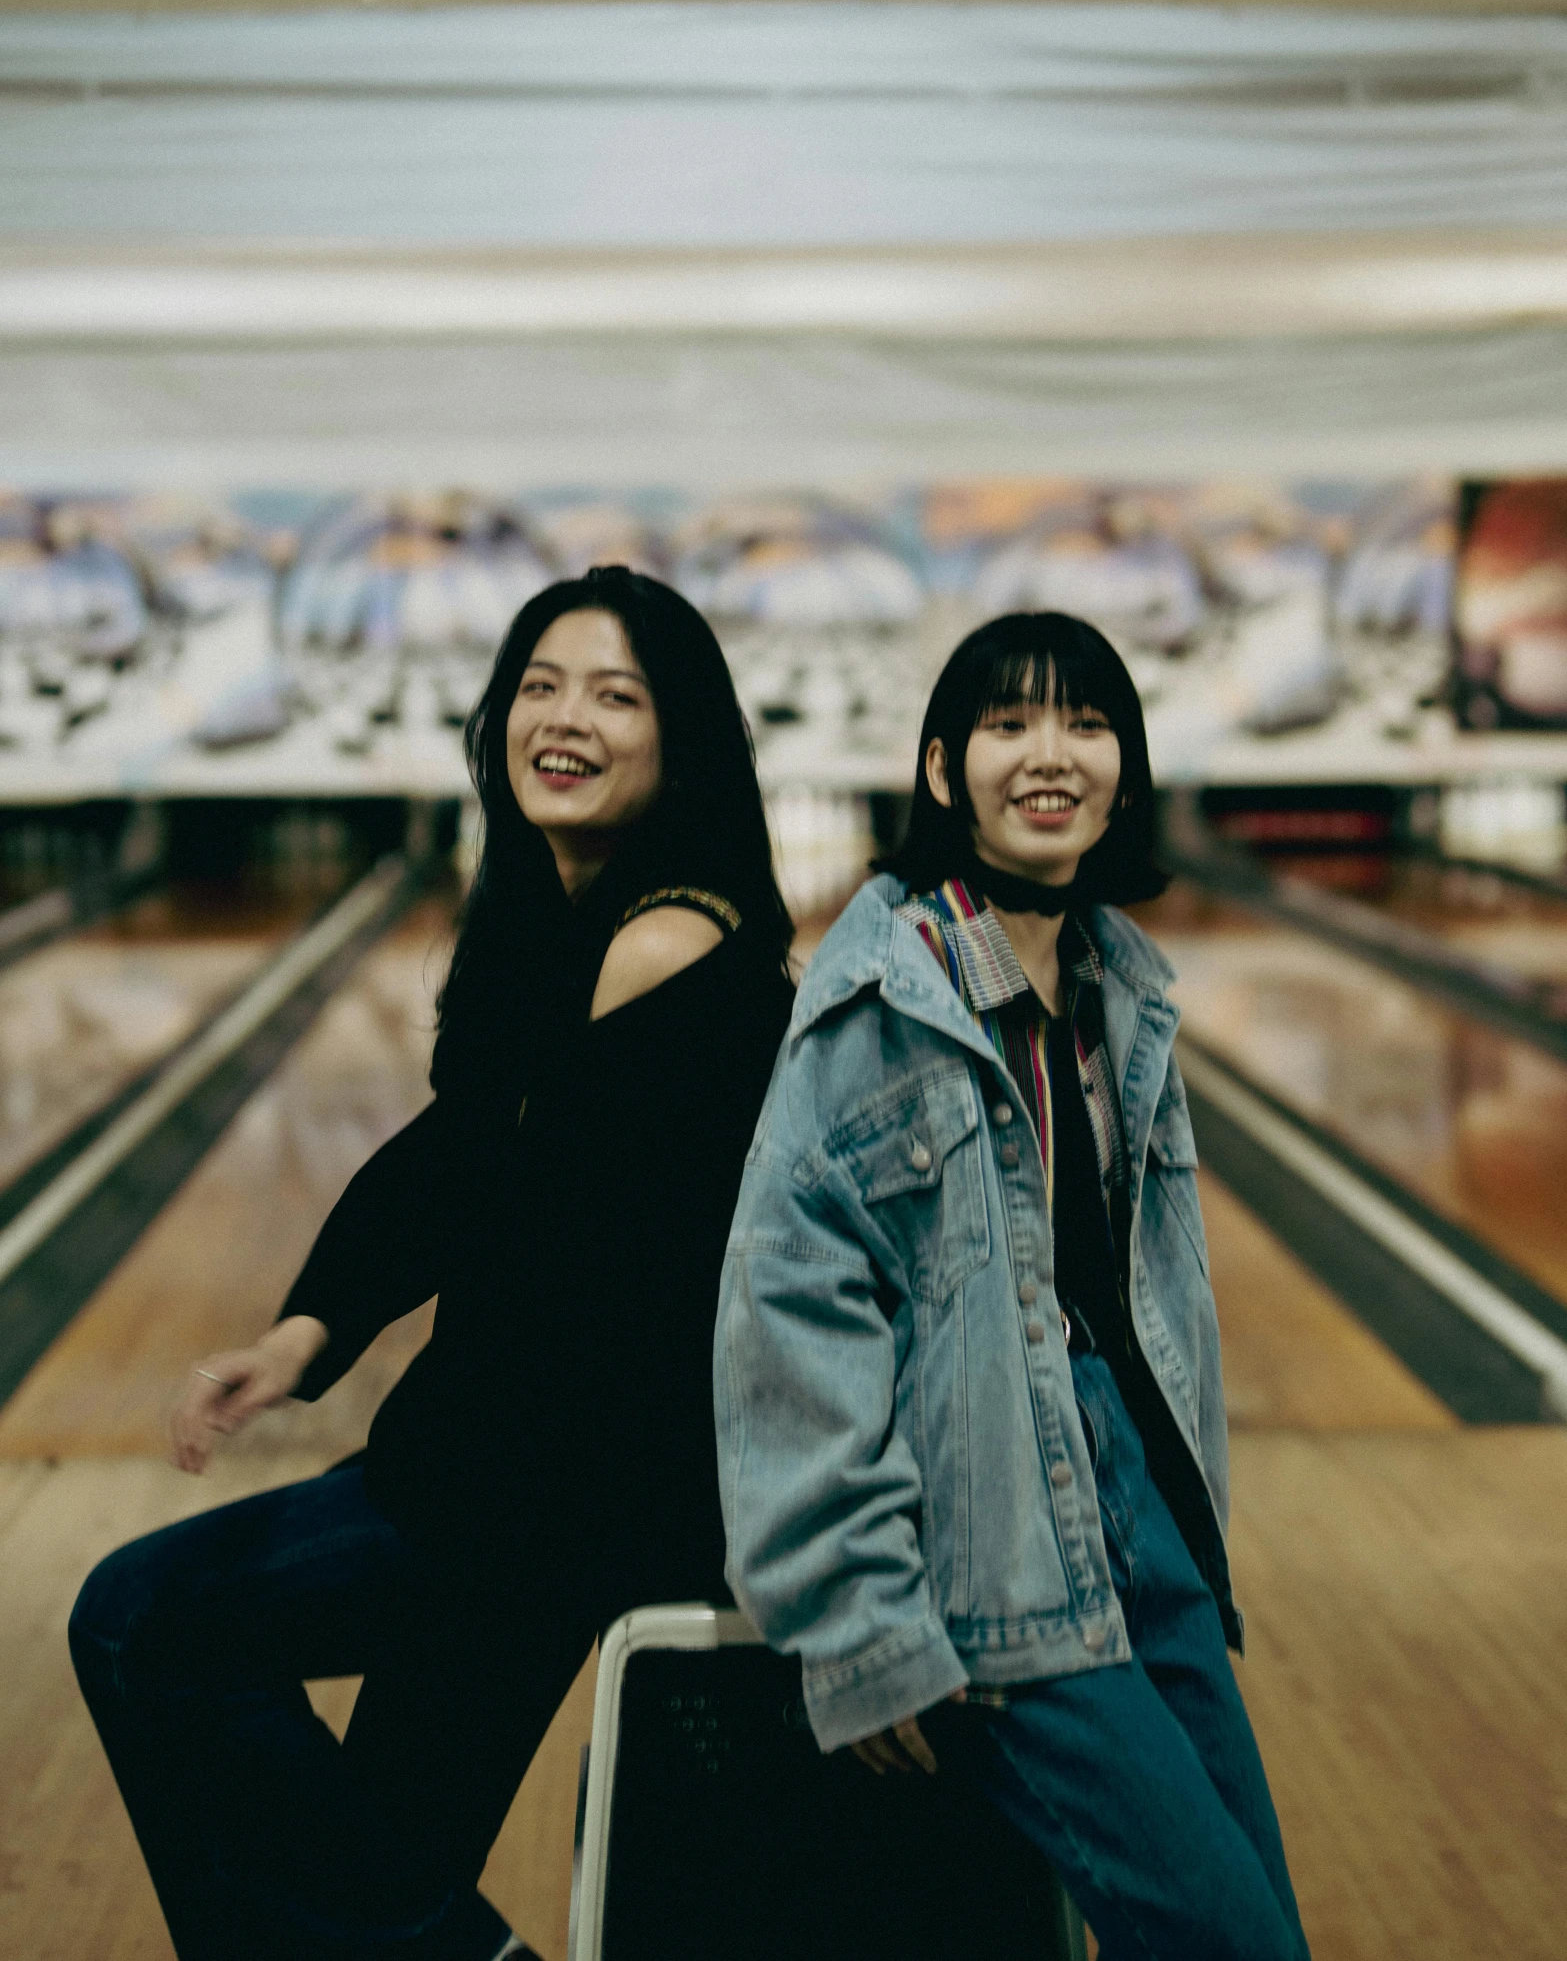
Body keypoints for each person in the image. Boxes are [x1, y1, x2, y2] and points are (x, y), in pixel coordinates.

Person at [70, 567, 795, 1961]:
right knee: (366, 1873)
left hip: (549, 1495)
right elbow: (457, 1152)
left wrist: (398, 1460)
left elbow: (535, 1243)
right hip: (533, 1477)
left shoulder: (660, 943)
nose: (563, 717)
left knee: (139, 1618)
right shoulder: (559, 918)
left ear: (680, 738)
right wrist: (305, 1335)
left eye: (614, 693)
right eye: (539, 684)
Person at [714, 610, 1309, 1961]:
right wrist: (858, 1626)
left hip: (1140, 1530)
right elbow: (785, 1322)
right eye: (1007, 722)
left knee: (1261, 1932)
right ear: (939, 769)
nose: (1050, 753)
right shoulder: (883, 1003)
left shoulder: (1116, 986)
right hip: (995, 1549)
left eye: (1085, 722)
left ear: (1124, 763)